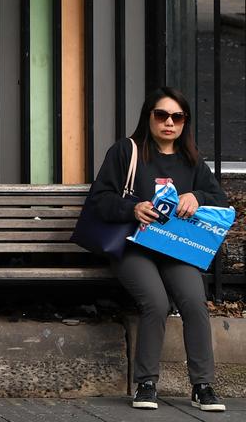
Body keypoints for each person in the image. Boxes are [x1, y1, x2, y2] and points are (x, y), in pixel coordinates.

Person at [86, 87, 229, 412]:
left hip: (174, 248)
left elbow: (218, 200)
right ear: (148, 117)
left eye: (177, 117)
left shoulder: (191, 159)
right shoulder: (127, 151)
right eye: (161, 115)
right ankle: (147, 383)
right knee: (156, 302)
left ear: (184, 122)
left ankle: (202, 385)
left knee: (194, 301)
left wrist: (198, 197)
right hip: (133, 247)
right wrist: (132, 209)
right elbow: (99, 201)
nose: (169, 122)